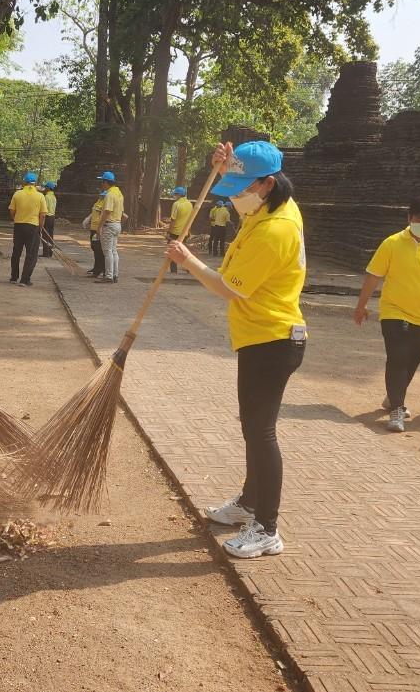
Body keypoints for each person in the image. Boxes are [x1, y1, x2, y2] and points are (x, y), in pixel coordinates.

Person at [165, 140, 306, 559]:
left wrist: (187, 261)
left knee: (261, 432)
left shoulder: (275, 230)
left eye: (244, 186)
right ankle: (248, 504)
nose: (237, 195)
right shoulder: (270, 206)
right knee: (253, 427)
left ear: (266, 184)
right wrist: (225, 166)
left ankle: (267, 528)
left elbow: (228, 288)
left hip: (273, 339)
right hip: (260, 337)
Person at [352, 195, 420, 433]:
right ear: (410, 217)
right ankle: (397, 409)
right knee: (398, 358)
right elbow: (373, 275)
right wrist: (361, 306)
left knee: (412, 361)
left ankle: (393, 396)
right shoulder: (392, 243)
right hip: (394, 312)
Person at [8, 171, 47, 286]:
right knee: (31, 254)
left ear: (24, 182)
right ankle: (25, 280)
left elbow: (11, 211)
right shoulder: (40, 196)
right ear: (35, 183)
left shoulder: (17, 194)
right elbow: (43, 214)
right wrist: (40, 227)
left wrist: (16, 219)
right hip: (33, 227)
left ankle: (14, 277)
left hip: (19, 225)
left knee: (16, 252)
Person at [96, 170, 125, 283]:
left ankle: (108, 276)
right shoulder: (119, 194)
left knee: (107, 252)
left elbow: (107, 211)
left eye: (102, 182)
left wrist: (100, 226)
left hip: (109, 224)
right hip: (117, 224)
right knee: (113, 251)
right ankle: (115, 274)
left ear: (106, 182)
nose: (101, 185)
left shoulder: (109, 194)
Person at [166, 186, 192, 273]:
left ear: (179, 195)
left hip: (175, 232)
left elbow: (173, 219)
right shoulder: (190, 204)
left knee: (172, 250)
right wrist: (189, 231)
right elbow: (190, 219)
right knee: (184, 251)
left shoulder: (176, 204)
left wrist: (168, 232)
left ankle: (174, 270)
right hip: (184, 232)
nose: (174, 196)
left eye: (175, 194)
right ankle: (189, 268)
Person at [86, 190, 106, 277]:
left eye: (102, 196)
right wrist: (88, 218)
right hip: (93, 228)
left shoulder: (106, 204)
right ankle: (96, 267)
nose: (100, 196)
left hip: (98, 229)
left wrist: (100, 228)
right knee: (94, 248)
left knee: (99, 250)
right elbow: (94, 212)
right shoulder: (98, 202)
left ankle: (99, 270)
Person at [41, 180, 58, 257]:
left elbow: (44, 209)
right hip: (52, 218)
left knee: (45, 235)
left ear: (48, 188)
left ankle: (46, 253)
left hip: (47, 218)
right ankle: (50, 252)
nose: (44, 188)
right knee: (50, 235)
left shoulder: (46, 197)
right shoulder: (54, 197)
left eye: (45, 187)